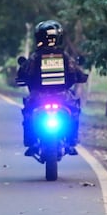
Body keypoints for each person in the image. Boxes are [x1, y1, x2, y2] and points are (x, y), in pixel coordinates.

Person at [16, 20, 88, 156]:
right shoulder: (65, 57)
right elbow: (77, 73)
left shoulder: (35, 57)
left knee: (28, 113)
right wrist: (82, 76)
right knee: (75, 111)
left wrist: (21, 78)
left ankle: (31, 141)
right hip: (63, 96)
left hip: (38, 97)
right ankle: (72, 141)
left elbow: (23, 74)